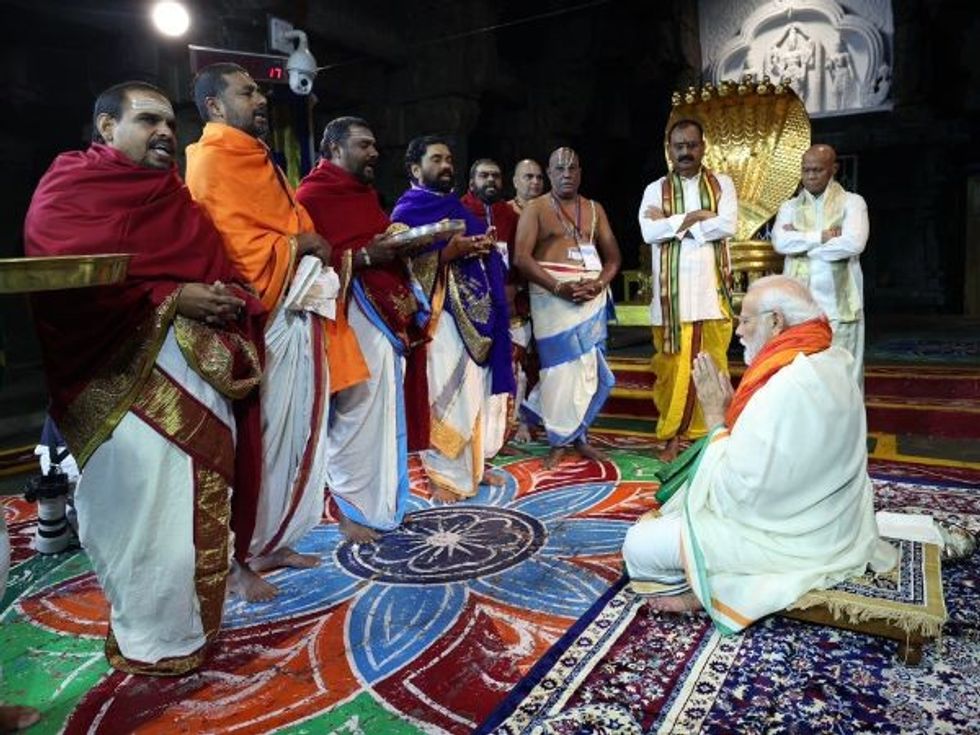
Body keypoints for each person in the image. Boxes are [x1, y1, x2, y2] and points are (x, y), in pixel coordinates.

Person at [23, 81, 265, 673]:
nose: (164, 132)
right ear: (107, 128)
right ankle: (148, 636)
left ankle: (187, 631)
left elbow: (222, 270)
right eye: (148, 121)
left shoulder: (174, 199)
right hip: (118, 376)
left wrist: (227, 297)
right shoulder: (70, 186)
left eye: (169, 124)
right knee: (139, 511)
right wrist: (173, 297)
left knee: (196, 504)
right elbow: (64, 281)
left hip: (198, 370)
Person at [185, 63, 368, 600]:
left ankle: (274, 538)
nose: (260, 99)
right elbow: (236, 248)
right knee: (258, 441)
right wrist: (299, 248)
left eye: (259, 91)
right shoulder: (212, 162)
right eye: (247, 92)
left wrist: (304, 243)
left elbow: (289, 223)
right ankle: (237, 558)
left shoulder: (256, 155)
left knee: (297, 432)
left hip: (298, 306)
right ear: (215, 106)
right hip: (262, 316)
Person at [621, 276, 895, 630]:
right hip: (838, 524)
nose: (738, 331)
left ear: (776, 321)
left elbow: (738, 496)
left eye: (746, 320)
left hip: (793, 539)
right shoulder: (834, 358)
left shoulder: (786, 385)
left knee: (639, 545)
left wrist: (717, 418)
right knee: (672, 514)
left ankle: (718, 589)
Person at [296, 116, 422, 542]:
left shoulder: (364, 195)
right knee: (351, 415)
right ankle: (348, 509)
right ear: (333, 148)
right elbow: (305, 267)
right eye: (364, 145)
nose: (374, 153)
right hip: (345, 321)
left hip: (382, 320)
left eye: (374, 146)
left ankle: (380, 504)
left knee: (381, 414)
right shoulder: (311, 196)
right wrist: (367, 256)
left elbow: (369, 243)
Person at [391, 135, 514, 502]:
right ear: (416, 169)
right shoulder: (406, 212)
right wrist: (448, 254)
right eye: (436, 159)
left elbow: (479, 254)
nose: (446, 165)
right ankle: (441, 477)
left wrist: (482, 246)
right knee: (443, 396)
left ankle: (473, 467)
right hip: (438, 320)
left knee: (471, 393)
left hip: (476, 319)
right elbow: (400, 268)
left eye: (449, 159)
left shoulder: (459, 210)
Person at [514, 147, 621, 468]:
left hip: (591, 298)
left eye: (572, 168)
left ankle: (580, 436)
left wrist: (600, 283)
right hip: (552, 301)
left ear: (580, 172)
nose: (566, 174)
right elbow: (521, 257)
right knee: (559, 374)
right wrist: (559, 287)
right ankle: (558, 440)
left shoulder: (594, 209)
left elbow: (613, 258)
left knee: (589, 371)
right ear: (549, 172)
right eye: (559, 169)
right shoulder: (536, 208)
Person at [638, 118, 737, 462]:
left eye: (691, 145)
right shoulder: (654, 189)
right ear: (669, 149)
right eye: (678, 146)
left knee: (713, 365)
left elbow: (728, 225)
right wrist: (698, 216)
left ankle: (709, 432)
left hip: (711, 297)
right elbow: (649, 233)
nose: (685, 152)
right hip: (670, 303)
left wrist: (673, 223)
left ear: (703, 147)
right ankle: (671, 436)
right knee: (669, 370)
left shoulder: (722, 184)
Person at [772, 144, 867, 388]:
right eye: (806, 170)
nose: (811, 176)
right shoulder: (789, 207)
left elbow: (854, 243)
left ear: (833, 169)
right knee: (802, 374)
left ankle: (844, 425)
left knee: (843, 375)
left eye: (817, 170)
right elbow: (780, 243)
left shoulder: (852, 203)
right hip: (800, 307)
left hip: (839, 305)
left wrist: (802, 241)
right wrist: (823, 236)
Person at [460, 158, 535, 444]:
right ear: (471, 182)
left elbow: (520, 256)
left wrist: (515, 285)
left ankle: (508, 431)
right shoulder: (460, 211)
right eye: (483, 176)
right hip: (473, 310)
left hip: (510, 307)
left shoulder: (511, 217)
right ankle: (474, 435)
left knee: (514, 368)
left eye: (495, 176)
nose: (490, 181)